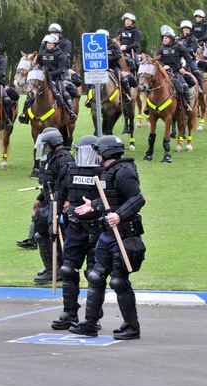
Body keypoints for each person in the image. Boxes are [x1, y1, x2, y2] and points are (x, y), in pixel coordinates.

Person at [69, 135, 146, 340]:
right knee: (95, 276)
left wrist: (119, 215)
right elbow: (111, 199)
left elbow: (138, 199)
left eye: (98, 152)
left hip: (124, 234)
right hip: (107, 234)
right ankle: (90, 324)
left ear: (106, 153)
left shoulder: (125, 172)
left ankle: (131, 326)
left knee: (119, 281)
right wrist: (94, 205)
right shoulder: (108, 172)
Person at [51, 135, 103, 330]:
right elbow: (59, 195)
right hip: (74, 228)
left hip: (97, 230)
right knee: (67, 269)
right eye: (83, 152)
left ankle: (93, 317)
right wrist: (54, 220)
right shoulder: (69, 169)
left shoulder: (104, 171)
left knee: (94, 274)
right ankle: (69, 312)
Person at [32, 128, 73, 284]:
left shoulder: (64, 159)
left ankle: (59, 269)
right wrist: (40, 198)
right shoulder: (51, 157)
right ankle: (51, 268)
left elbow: (68, 182)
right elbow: (49, 182)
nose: (44, 148)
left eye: (46, 145)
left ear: (53, 144)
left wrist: (68, 200)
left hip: (59, 203)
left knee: (56, 234)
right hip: (50, 201)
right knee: (40, 234)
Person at [35, 34, 78, 120]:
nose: (48, 45)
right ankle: (25, 113)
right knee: (31, 94)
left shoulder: (61, 55)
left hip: (57, 79)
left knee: (64, 93)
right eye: (47, 43)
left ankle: (71, 111)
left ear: (55, 44)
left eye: (51, 43)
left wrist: (49, 75)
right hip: (43, 80)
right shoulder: (42, 54)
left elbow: (61, 69)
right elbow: (37, 65)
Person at [155, 26, 194, 113]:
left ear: (171, 39)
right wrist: (163, 65)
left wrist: (184, 68)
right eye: (163, 38)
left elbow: (188, 59)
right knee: (151, 86)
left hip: (176, 72)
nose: (164, 39)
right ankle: (148, 107)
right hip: (163, 72)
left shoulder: (179, 47)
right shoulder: (160, 49)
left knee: (184, 86)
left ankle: (187, 105)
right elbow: (157, 60)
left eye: (166, 38)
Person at [98, 28, 132, 102]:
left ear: (107, 37)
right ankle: (89, 98)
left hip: (113, 67)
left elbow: (119, 55)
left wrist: (108, 59)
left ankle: (127, 95)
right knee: (90, 80)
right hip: (99, 67)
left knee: (124, 79)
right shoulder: (96, 47)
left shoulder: (113, 45)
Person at [178, 20, 204, 93]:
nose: (186, 29)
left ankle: (200, 87)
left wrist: (186, 50)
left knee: (196, 71)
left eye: (187, 28)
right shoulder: (179, 39)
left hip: (190, 58)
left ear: (190, 29)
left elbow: (194, 48)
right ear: (182, 29)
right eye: (184, 28)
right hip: (180, 59)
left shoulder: (192, 38)